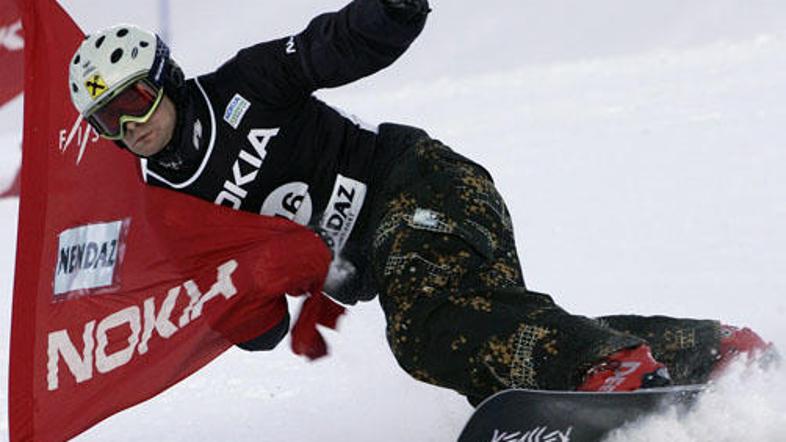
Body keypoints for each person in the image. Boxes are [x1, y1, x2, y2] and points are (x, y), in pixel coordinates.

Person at [67, 0, 775, 405]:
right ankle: (705, 351)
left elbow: (334, 45)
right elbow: (261, 329)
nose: (131, 126)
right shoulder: (175, 213)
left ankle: (605, 370)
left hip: (420, 183)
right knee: (488, 347)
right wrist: (252, 287)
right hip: (391, 259)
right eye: (108, 121)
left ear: (166, 78)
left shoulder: (245, 85)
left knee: (426, 330)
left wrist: (393, 9)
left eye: (135, 99)